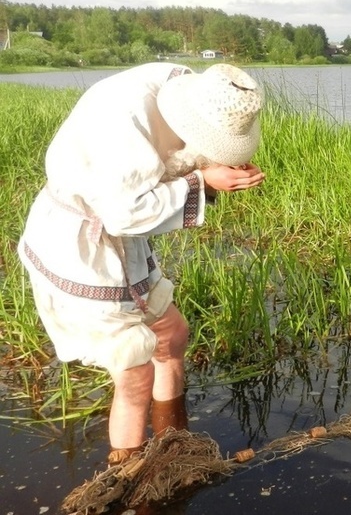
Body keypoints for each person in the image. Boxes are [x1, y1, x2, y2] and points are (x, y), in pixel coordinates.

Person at [18, 62, 266, 465]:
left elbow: (170, 156)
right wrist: (204, 181)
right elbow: (122, 213)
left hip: (122, 242)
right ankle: (130, 477)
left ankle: (174, 444)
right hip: (82, 247)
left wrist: (216, 167)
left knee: (171, 335)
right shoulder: (123, 120)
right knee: (134, 372)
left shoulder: (185, 85)